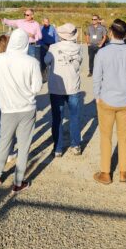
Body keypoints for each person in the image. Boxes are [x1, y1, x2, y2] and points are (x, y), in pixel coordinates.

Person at [0, 29, 43, 194]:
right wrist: (28, 95)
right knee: (24, 146)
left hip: (8, 109)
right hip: (27, 108)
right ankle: (18, 182)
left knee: (4, 141)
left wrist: (2, 96)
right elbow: (37, 87)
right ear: (26, 42)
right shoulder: (32, 62)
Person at [92, 19, 126, 185]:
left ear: (111, 32)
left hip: (106, 99)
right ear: (125, 33)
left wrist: (97, 96)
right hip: (125, 100)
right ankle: (123, 171)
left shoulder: (103, 53)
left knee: (105, 136)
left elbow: (97, 77)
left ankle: (105, 173)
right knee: (123, 136)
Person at [45, 23, 83, 157]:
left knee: (57, 118)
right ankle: (76, 145)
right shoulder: (78, 48)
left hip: (56, 87)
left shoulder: (53, 48)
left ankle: (58, 148)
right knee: (74, 117)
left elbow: (46, 60)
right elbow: (79, 64)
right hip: (73, 86)